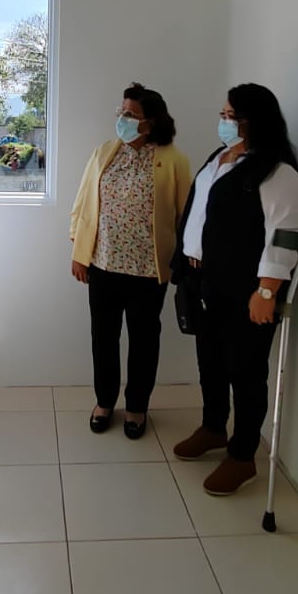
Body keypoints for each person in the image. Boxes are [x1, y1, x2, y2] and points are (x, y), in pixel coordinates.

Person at [170, 84, 298, 495]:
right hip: (203, 280)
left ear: (254, 121)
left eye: (232, 116)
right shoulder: (219, 158)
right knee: (210, 362)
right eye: (223, 114)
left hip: (246, 289)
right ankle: (213, 427)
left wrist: (267, 291)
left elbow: (284, 235)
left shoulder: (277, 172)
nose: (224, 122)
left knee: (245, 371)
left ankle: (243, 455)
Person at [69, 83, 194, 438]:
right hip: (102, 266)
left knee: (143, 342)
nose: (122, 119)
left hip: (148, 271)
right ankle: (104, 401)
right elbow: (82, 204)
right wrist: (79, 252)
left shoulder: (174, 160)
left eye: (131, 114)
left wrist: (185, 261)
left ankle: (137, 406)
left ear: (151, 122)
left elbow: (186, 215)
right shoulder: (104, 152)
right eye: (121, 112)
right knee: (103, 338)